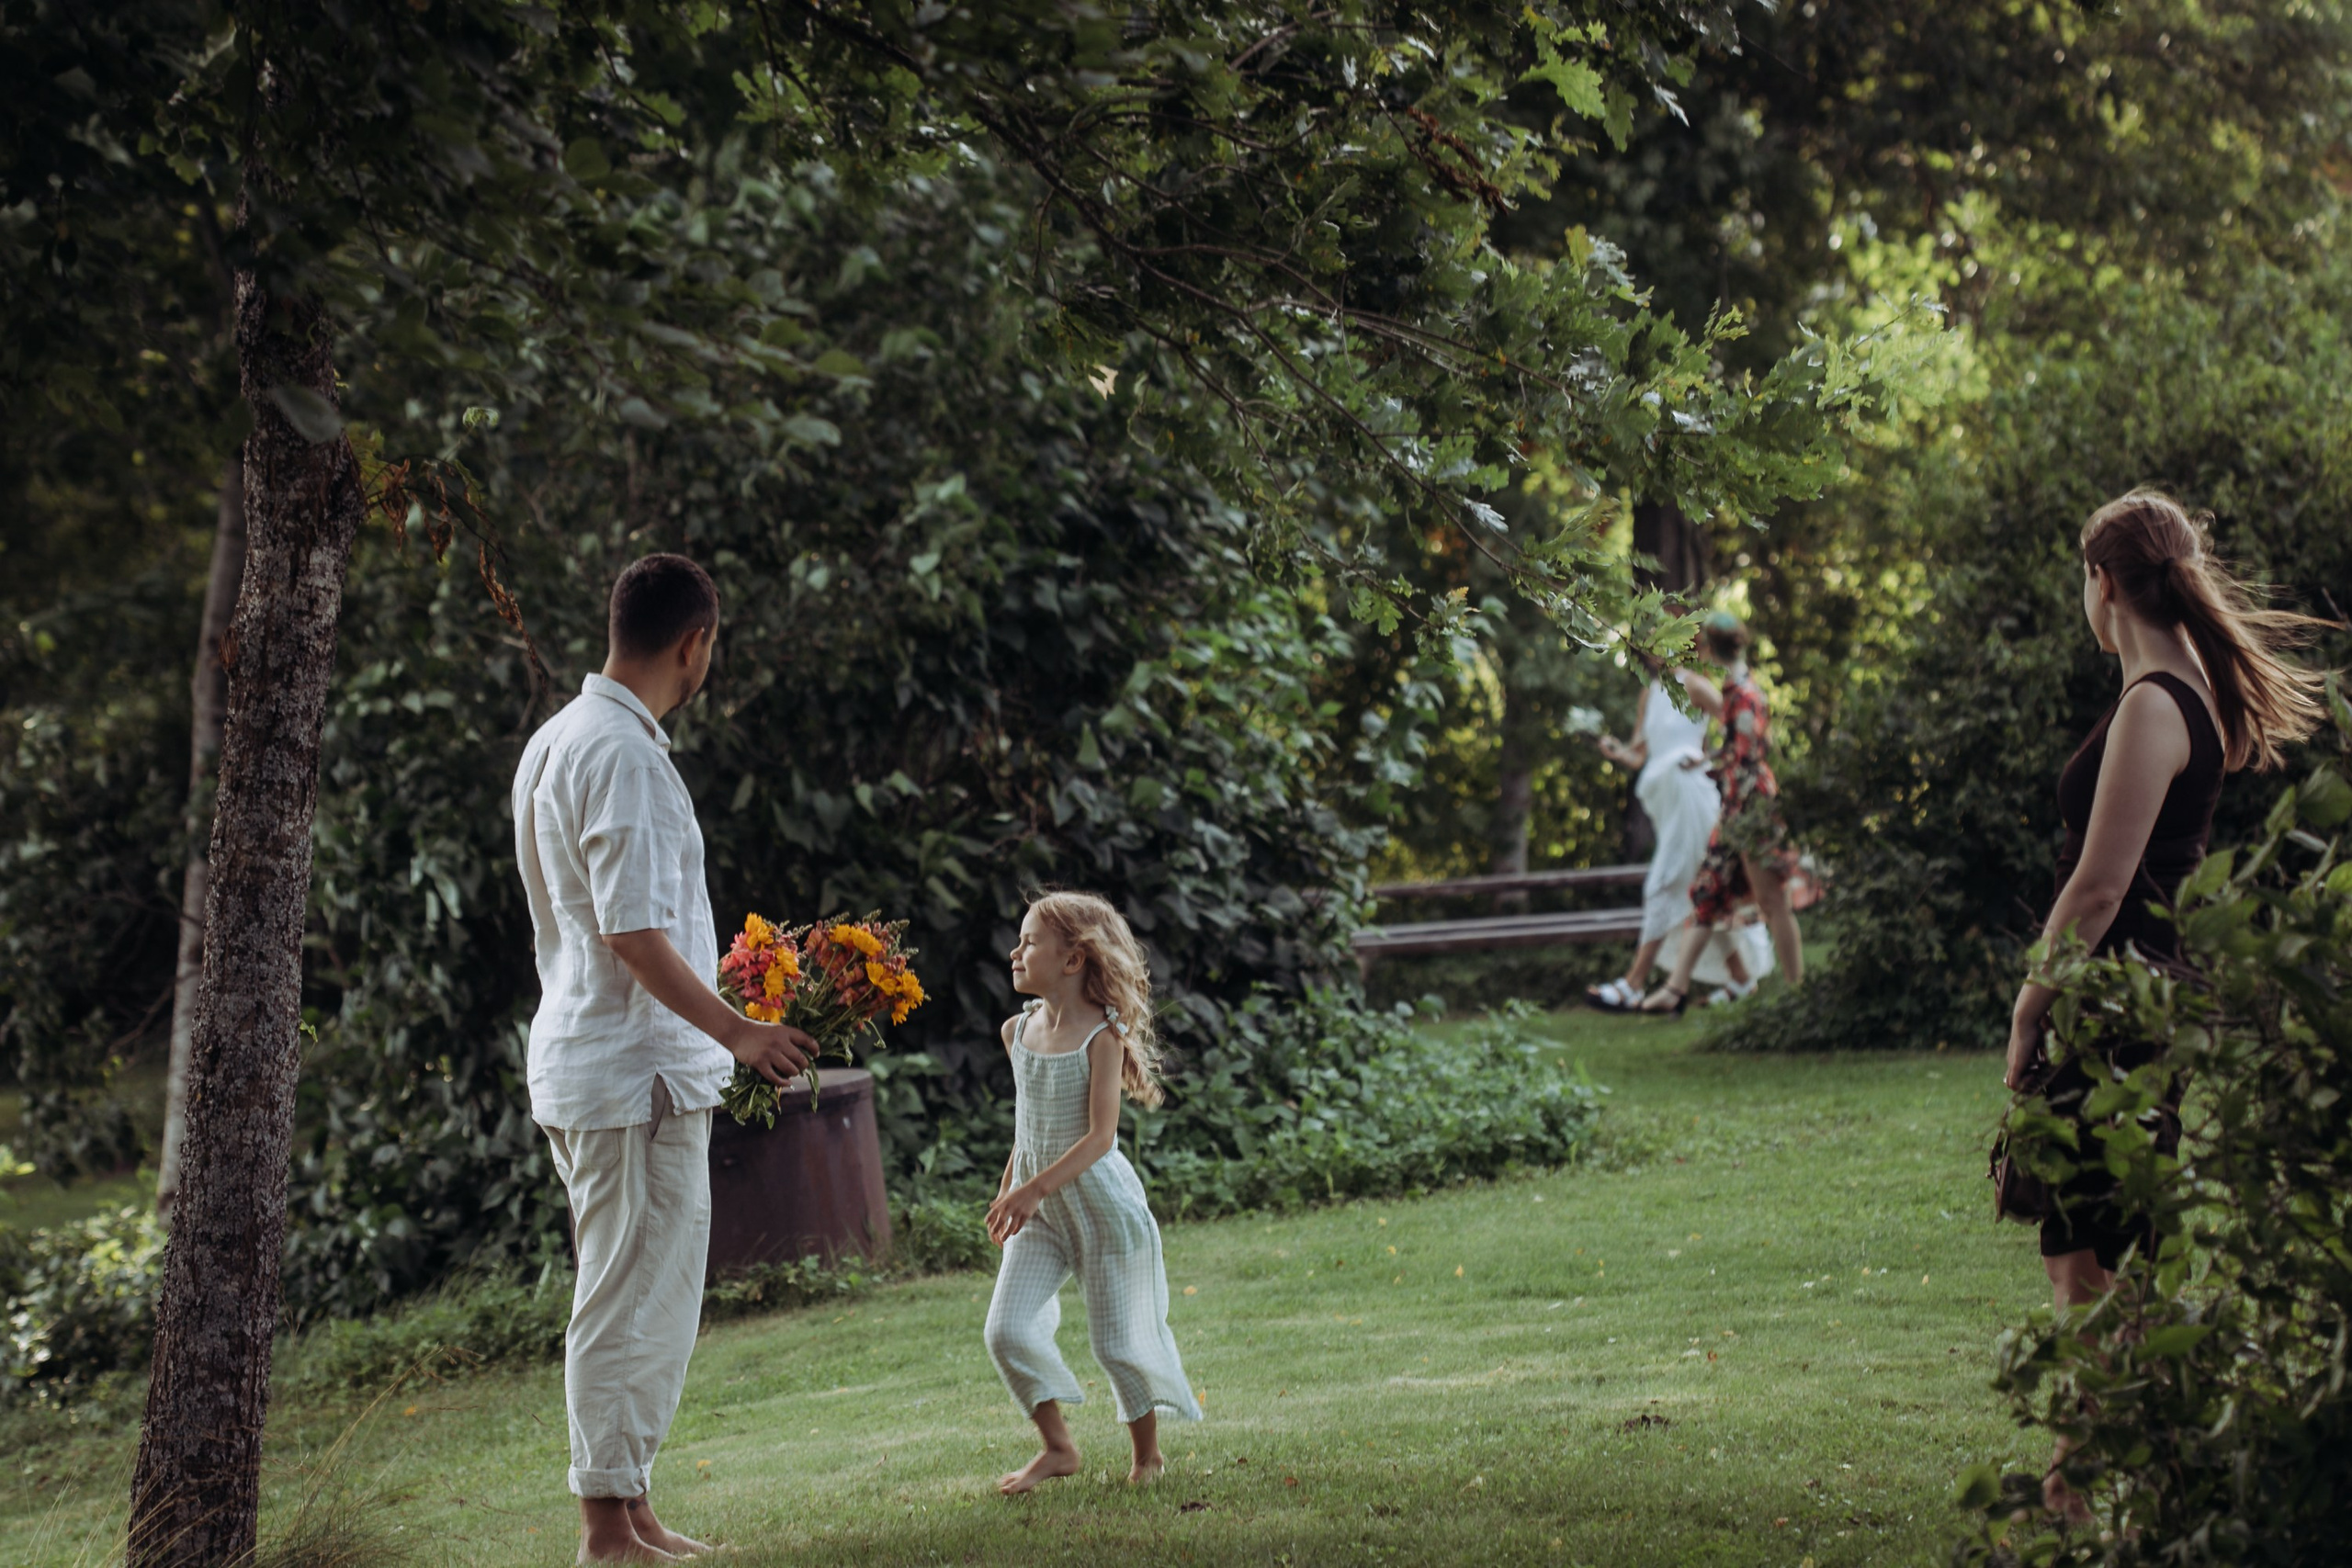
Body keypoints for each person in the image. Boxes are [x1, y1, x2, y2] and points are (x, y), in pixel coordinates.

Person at [2000, 491, 2324, 1517]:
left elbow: (2099, 888)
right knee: (2105, 1265)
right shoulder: (2189, 688)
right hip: (2141, 1004)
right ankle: (2124, 1485)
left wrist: (2026, 1012)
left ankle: (2076, 1500)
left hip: (2113, 1011)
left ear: (2102, 582)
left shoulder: (2155, 703)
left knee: (2084, 1270)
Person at [512, 554, 814, 1563]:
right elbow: (632, 932)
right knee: (630, 1293)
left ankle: (630, 1504)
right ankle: (605, 1527)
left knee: (645, 1290)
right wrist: (737, 1029)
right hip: (629, 1071)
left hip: (595, 1061)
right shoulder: (624, 754)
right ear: (696, 642)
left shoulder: (558, 738)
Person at [984, 891, 1202, 1495]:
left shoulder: (1100, 1037)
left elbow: (1101, 1138)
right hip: (1042, 1210)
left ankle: (1148, 1457)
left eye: (1029, 941)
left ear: (1073, 959)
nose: (1016, 950)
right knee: (1006, 1329)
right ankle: (1058, 1446)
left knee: (1118, 1341)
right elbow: (1028, 1126)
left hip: (1102, 1207)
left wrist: (1030, 1188)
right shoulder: (1017, 1030)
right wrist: (1011, 1191)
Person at [1641, 612, 1808, 1013]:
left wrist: (1722, 774)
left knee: (1772, 901)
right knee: (1707, 891)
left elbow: (1751, 757)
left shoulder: (1743, 694)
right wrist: (1707, 763)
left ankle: (1798, 995)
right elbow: (1739, 750)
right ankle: (1675, 989)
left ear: (1711, 649)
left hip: (1751, 811)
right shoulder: (1735, 689)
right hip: (1736, 808)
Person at [1585, 660, 1737, 1010]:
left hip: (1690, 798)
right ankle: (1742, 979)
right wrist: (1613, 750)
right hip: (1664, 804)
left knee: (1665, 882)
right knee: (1703, 889)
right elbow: (1639, 756)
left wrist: (1706, 759)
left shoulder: (1697, 686)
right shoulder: (1648, 693)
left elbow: (1739, 728)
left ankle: (1634, 983)